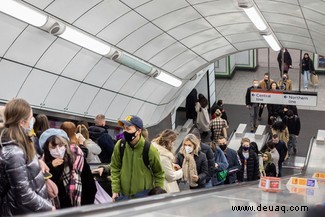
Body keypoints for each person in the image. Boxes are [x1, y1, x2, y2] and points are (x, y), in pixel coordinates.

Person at [0, 98, 54, 216]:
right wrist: (49, 207)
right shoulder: (14, 152)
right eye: (30, 119)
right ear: (22, 123)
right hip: (21, 211)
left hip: (29, 210)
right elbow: (23, 194)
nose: (31, 123)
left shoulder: (21, 144)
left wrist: (39, 163)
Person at [110, 115, 164, 201]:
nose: (124, 131)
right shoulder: (120, 145)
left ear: (138, 131)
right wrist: (115, 190)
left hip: (144, 196)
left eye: (128, 129)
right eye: (124, 128)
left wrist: (157, 194)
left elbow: (159, 173)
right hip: (123, 196)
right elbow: (115, 167)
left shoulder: (150, 149)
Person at [40, 128, 97, 208]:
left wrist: (84, 209)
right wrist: (51, 167)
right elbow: (46, 189)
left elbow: (90, 186)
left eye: (61, 146)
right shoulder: (44, 163)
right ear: (47, 149)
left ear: (66, 145)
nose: (58, 150)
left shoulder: (77, 157)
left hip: (79, 207)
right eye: (53, 147)